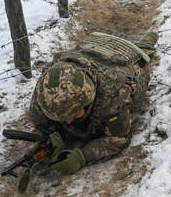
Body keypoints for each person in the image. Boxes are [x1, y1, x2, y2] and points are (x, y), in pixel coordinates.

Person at [28, 31, 157, 175]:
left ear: (89, 101)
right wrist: (49, 135)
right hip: (91, 48)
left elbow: (120, 138)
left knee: (143, 51)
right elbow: (40, 119)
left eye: (74, 114)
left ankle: (149, 39)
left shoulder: (115, 92)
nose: (68, 121)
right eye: (63, 118)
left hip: (126, 58)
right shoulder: (47, 88)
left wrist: (83, 156)